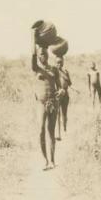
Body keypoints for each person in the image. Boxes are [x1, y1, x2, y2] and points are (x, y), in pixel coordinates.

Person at [31, 29, 64, 170]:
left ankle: (52, 161)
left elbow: (61, 85)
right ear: (38, 57)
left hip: (53, 103)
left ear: (47, 55)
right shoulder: (36, 68)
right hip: (41, 103)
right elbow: (32, 54)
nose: (42, 55)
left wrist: (61, 91)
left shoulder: (54, 69)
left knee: (51, 131)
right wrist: (33, 37)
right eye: (40, 54)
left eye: (44, 53)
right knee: (40, 130)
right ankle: (45, 160)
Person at [56, 56, 72, 140]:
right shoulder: (54, 71)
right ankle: (58, 133)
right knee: (57, 113)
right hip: (57, 94)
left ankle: (65, 129)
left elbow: (70, 83)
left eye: (60, 62)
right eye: (57, 62)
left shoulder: (66, 71)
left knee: (64, 113)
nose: (59, 64)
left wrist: (65, 76)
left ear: (63, 63)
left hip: (65, 94)